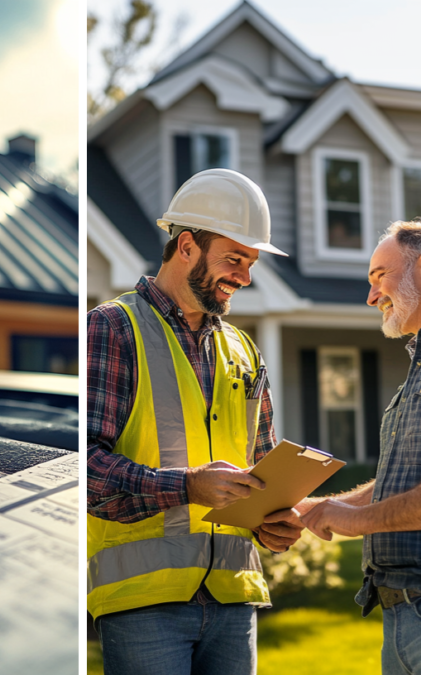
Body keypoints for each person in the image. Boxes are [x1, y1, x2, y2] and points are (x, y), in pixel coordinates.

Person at [87, 168, 304, 675]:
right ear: (186, 246)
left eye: (250, 263)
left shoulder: (244, 350)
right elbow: (87, 471)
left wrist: (272, 520)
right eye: (234, 259)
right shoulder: (113, 329)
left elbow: (260, 468)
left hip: (234, 597)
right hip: (143, 603)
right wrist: (188, 487)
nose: (245, 277)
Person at [277, 221, 421, 675]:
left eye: (381, 276)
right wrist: (319, 507)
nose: (371, 296)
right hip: (403, 613)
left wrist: (356, 520)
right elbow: (404, 482)